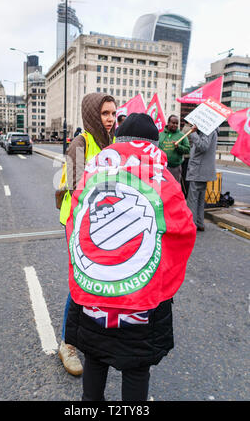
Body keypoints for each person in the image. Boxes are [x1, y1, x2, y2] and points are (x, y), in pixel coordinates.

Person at [65, 113, 196, 401]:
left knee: (95, 359)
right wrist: (163, 279)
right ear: (153, 142)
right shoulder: (165, 179)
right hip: (141, 304)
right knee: (136, 369)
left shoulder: (92, 171)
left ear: (119, 138)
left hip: (94, 297)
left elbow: (75, 224)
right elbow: (185, 232)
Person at [58, 93, 116, 376]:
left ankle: (95, 334)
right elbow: (73, 185)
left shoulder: (114, 143)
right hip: (77, 221)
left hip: (102, 220)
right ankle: (68, 343)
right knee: (80, 281)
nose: (110, 118)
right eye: (105, 113)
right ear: (93, 114)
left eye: (113, 113)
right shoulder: (81, 144)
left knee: (99, 278)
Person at [186, 126, 218, 231]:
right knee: (199, 199)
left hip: (198, 169)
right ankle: (199, 222)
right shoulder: (213, 130)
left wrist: (193, 134)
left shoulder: (208, 130)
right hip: (202, 170)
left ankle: (192, 224)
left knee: (193, 199)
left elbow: (203, 146)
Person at [159, 114, 190, 182]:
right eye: (173, 123)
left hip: (175, 168)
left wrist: (178, 147)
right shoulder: (160, 135)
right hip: (162, 168)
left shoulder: (181, 135)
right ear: (168, 123)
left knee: (174, 188)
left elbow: (187, 150)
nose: (175, 125)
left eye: (177, 123)